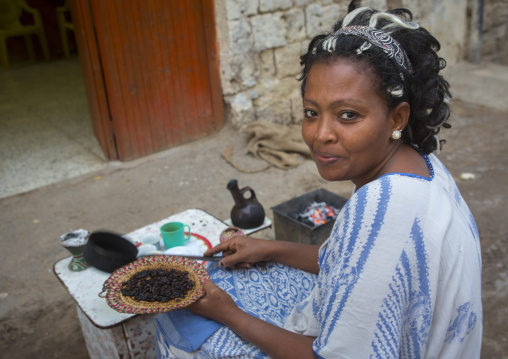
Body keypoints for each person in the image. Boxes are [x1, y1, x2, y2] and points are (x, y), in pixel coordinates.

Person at [155, 3, 482, 358]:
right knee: (226, 277)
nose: (320, 134)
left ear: (396, 118)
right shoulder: (423, 165)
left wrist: (228, 314)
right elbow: (349, 263)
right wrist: (269, 248)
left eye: (348, 115)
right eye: (312, 113)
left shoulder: (383, 210)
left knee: (181, 319)